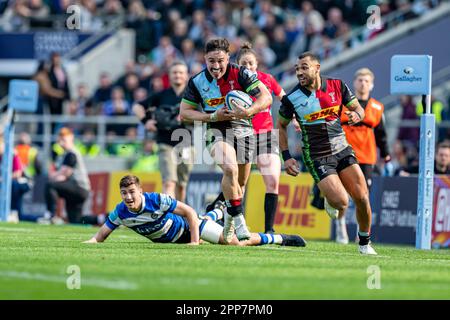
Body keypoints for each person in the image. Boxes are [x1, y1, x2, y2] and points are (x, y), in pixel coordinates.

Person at [276, 52, 377, 255]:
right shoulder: (292, 98)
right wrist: (286, 158)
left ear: (317, 68)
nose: (299, 72)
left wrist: (357, 115)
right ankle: (328, 197)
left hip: (342, 149)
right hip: (317, 156)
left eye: (304, 67)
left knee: (363, 197)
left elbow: (359, 109)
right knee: (342, 203)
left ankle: (364, 243)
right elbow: (280, 126)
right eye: (297, 69)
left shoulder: (337, 86)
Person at [179, 38, 273, 242]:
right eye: (211, 61)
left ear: (228, 58)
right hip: (216, 129)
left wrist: (248, 111)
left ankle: (229, 224)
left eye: (220, 61)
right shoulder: (197, 81)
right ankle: (239, 220)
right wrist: (212, 117)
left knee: (240, 184)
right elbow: (185, 113)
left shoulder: (241, 73)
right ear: (205, 58)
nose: (215, 66)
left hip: (244, 129)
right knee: (230, 169)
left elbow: (266, 98)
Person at [83, 175, 306, 247]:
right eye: (124, 193)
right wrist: (89, 244)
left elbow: (189, 212)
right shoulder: (121, 212)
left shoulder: (157, 200)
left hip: (192, 228)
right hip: (178, 238)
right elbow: (100, 236)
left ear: (140, 190)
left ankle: (279, 238)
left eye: (132, 191)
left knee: (235, 243)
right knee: (208, 219)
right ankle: (216, 211)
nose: (129, 197)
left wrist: (194, 241)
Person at [205, 42, 286, 234]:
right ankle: (216, 209)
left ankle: (269, 231)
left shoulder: (267, 80)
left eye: (251, 63)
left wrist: (296, 119)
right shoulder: (233, 81)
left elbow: (285, 98)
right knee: (239, 182)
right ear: (238, 64)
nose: (248, 67)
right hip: (242, 134)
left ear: (257, 63)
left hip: (265, 135)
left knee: (273, 180)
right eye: (244, 64)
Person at [336, 67, 391, 244]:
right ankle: (341, 225)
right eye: (360, 80)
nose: (363, 83)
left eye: (366, 81)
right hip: (345, 153)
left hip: (367, 157)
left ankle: (361, 234)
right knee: (343, 195)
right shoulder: (344, 104)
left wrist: (386, 154)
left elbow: (382, 134)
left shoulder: (377, 107)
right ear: (354, 83)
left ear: (372, 85)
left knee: (362, 196)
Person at [133, 61, 193, 202]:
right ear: (169, 76)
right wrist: (146, 121)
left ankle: (179, 216)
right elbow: (137, 107)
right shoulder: (161, 95)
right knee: (169, 181)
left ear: (186, 76)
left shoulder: (193, 96)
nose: (177, 75)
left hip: (187, 144)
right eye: (174, 72)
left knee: (181, 185)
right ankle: (169, 216)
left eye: (181, 72)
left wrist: (187, 116)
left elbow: (204, 115)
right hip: (165, 143)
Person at [42, 127, 91, 224]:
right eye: (60, 140)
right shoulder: (64, 155)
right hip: (78, 189)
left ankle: (51, 215)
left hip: (78, 187)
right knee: (75, 220)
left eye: (64, 140)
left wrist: (53, 176)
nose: (62, 143)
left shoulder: (71, 153)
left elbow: (64, 175)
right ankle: (103, 218)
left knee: (50, 185)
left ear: (71, 138)